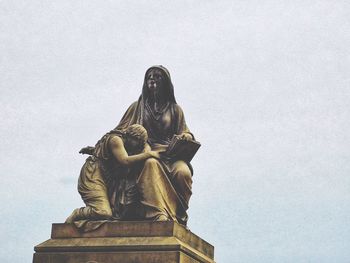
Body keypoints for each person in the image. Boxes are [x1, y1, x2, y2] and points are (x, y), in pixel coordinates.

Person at [114, 65, 195, 225]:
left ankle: (177, 215)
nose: (152, 79)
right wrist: (102, 148)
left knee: (183, 172)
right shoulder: (137, 107)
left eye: (157, 76)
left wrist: (186, 136)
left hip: (170, 155)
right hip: (146, 153)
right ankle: (158, 214)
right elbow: (118, 132)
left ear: (166, 82)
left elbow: (186, 132)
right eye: (149, 76)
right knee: (150, 164)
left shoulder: (175, 110)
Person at [65, 124, 161, 223]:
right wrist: (149, 154)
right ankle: (78, 213)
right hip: (93, 175)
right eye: (137, 143)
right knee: (103, 212)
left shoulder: (123, 142)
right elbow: (125, 160)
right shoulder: (116, 139)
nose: (137, 146)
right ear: (133, 137)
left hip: (107, 177)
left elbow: (108, 155)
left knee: (114, 211)